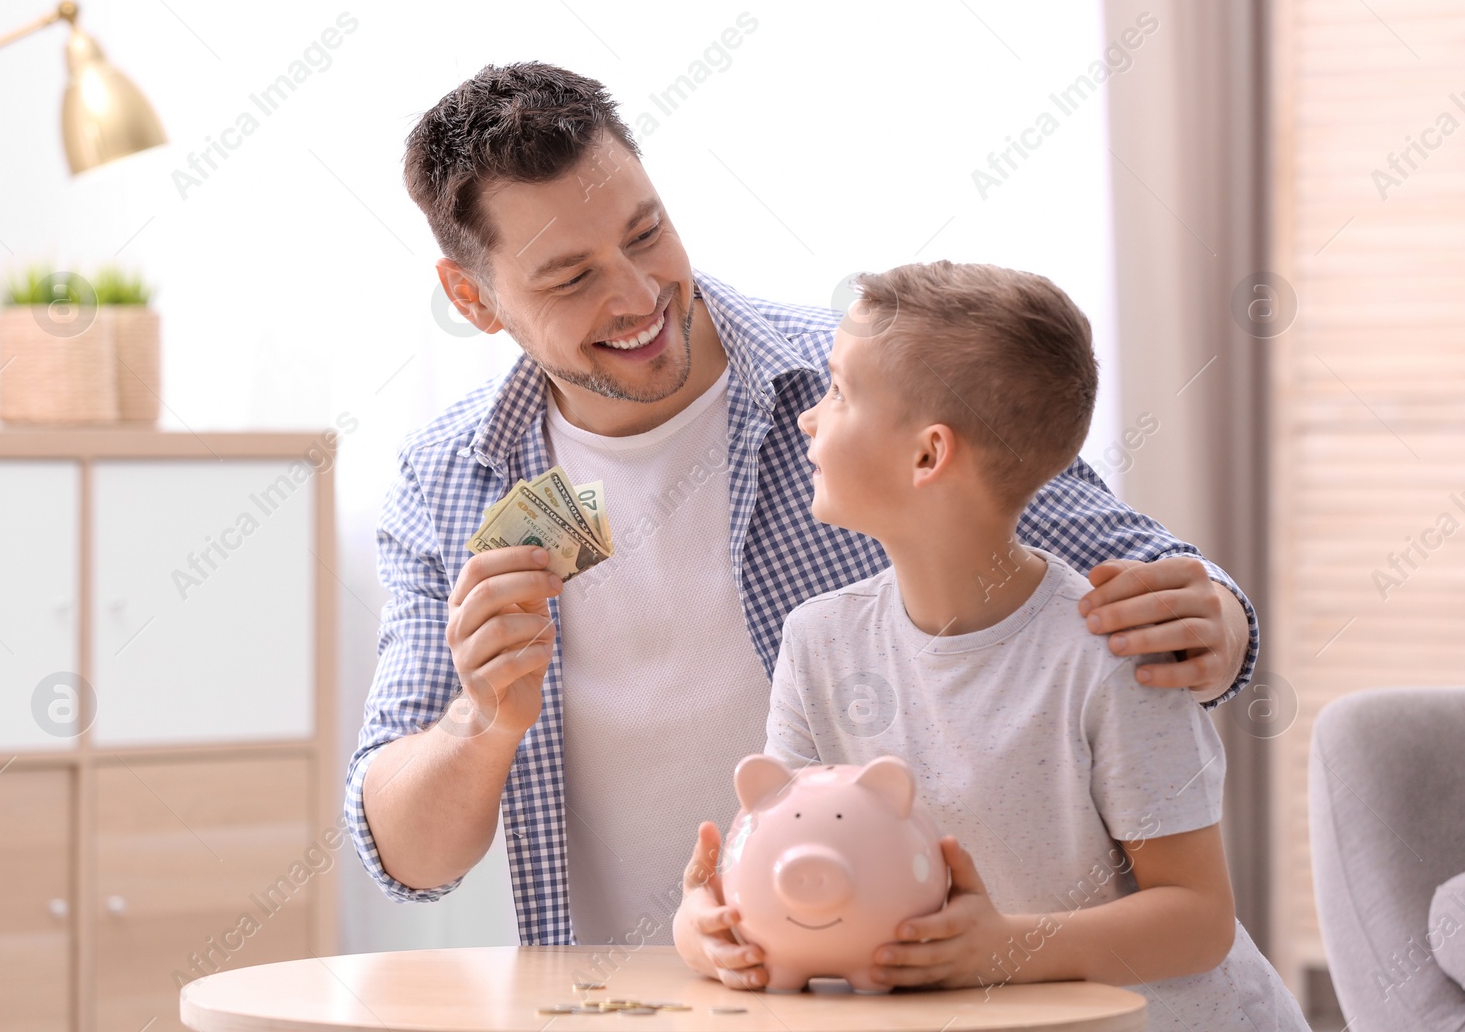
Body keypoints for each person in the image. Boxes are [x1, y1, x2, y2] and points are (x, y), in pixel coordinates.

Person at [347, 61, 1259, 950]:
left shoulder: (862, 390)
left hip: (906, 992)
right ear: (473, 297)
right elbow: (410, 860)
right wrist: (481, 720)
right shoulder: (452, 481)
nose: (636, 295)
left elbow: (1152, 592)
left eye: (645, 232)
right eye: (570, 277)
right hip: (640, 1000)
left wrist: (1214, 622)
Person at [671, 261, 1307, 1029]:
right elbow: (782, 858)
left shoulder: (1109, 651)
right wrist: (706, 931)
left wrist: (1001, 949)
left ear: (928, 456)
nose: (810, 418)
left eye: (838, 392)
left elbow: (1197, 921)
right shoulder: (819, 642)